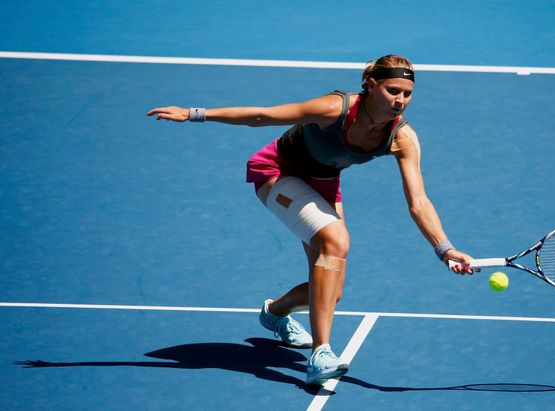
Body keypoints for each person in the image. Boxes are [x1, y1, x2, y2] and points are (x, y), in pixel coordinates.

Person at [147, 54, 475, 386]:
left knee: (330, 293)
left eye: (407, 93)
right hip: (277, 172)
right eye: (393, 90)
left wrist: (445, 249)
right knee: (336, 242)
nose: (400, 100)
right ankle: (321, 354)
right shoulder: (335, 108)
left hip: (323, 184)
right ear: (372, 86)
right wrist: (195, 114)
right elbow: (264, 116)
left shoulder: (402, 137)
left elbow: (418, 202)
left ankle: (274, 312)